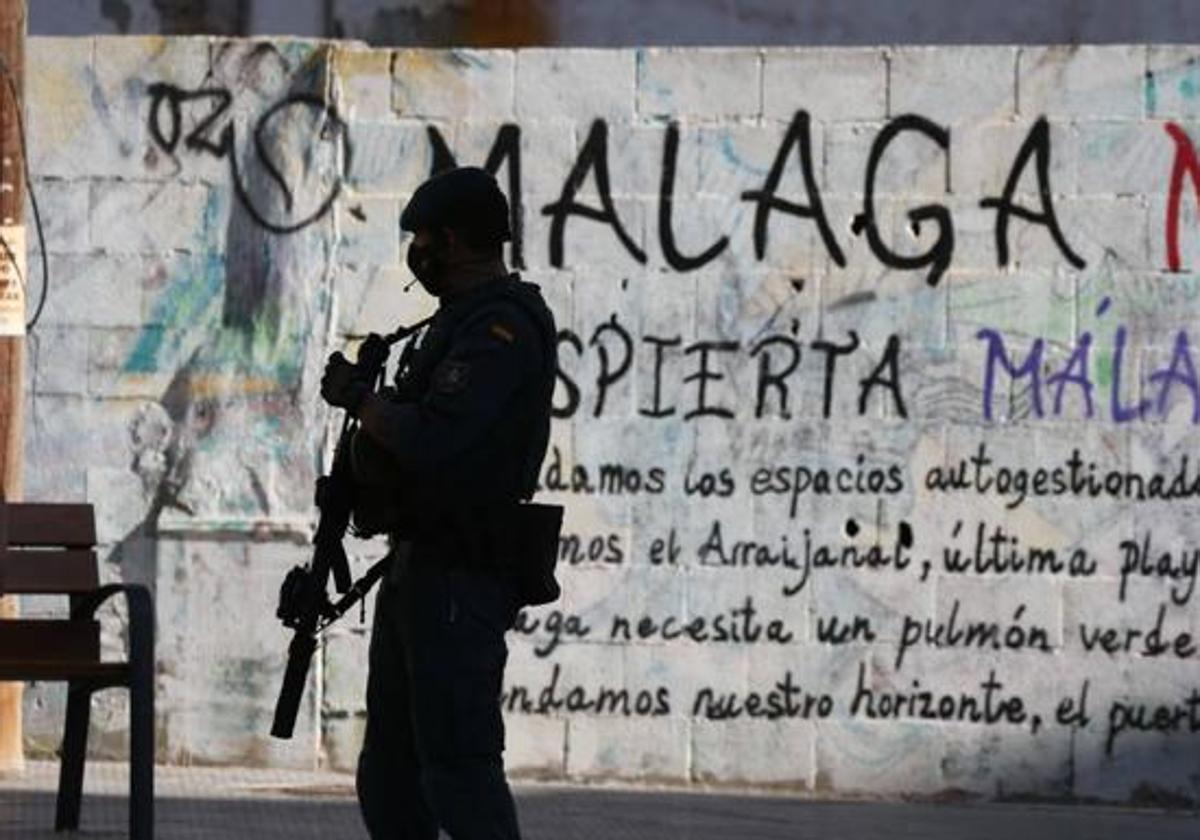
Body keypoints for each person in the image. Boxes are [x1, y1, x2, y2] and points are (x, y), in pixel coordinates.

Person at [320, 166, 557, 840]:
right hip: (420, 565)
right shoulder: (454, 322)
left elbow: (435, 437)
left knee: (458, 766)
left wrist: (362, 402)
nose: (416, 253)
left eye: (422, 238)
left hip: (463, 572)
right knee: (391, 771)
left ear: (450, 240)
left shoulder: (500, 328)